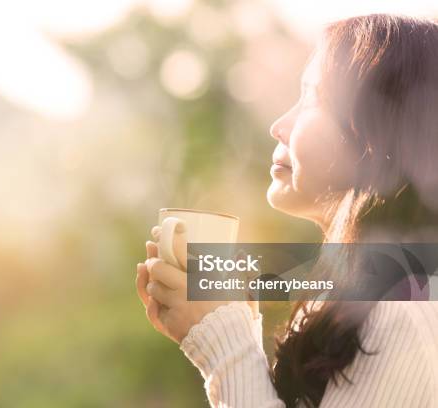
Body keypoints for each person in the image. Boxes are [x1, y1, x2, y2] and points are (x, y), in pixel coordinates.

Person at [136, 14, 438, 407]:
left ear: (379, 133)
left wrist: (223, 340)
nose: (279, 125)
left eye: (312, 98)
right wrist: (226, 320)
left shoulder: (400, 315)